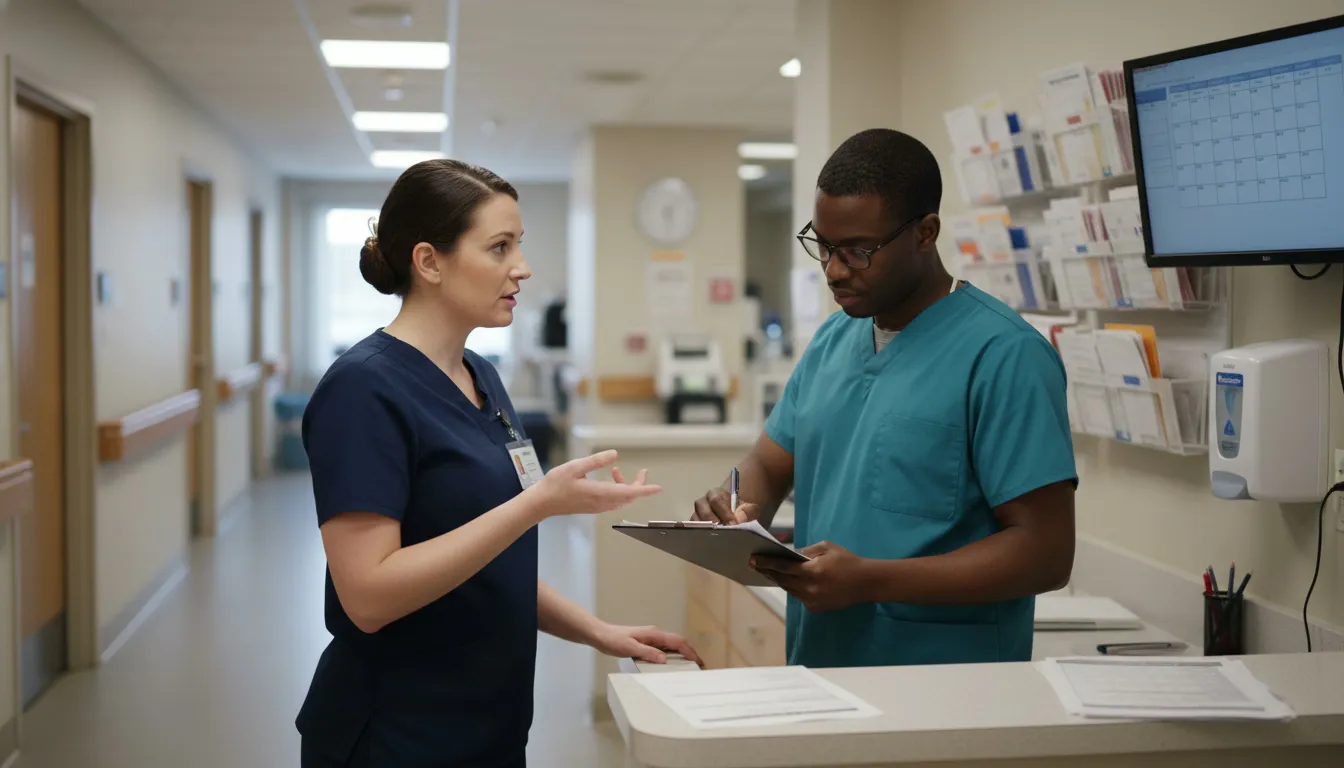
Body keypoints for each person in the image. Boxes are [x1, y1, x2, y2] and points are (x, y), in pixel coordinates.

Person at [298, 159, 698, 768]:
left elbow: (492, 563)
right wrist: (538, 503)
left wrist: (598, 631)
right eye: (500, 247)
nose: (523, 268)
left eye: (520, 245)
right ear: (429, 262)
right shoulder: (361, 390)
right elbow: (369, 596)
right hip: (397, 731)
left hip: (492, 721)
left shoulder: (479, 375)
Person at [693, 129, 1076, 668]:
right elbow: (770, 461)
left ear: (926, 232)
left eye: (857, 250)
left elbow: (1046, 553)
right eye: (823, 245)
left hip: (946, 683)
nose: (833, 269)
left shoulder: (1005, 356)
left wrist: (873, 581)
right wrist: (734, 507)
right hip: (822, 663)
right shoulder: (834, 339)